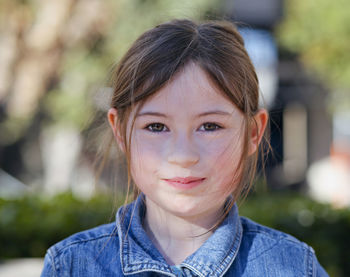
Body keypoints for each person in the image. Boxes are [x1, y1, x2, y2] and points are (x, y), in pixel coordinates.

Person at [41, 19, 328, 276]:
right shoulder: (71, 265)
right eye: (156, 127)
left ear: (253, 133)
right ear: (119, 130)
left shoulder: (294, 266)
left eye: (210, 126)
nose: (183, 156)